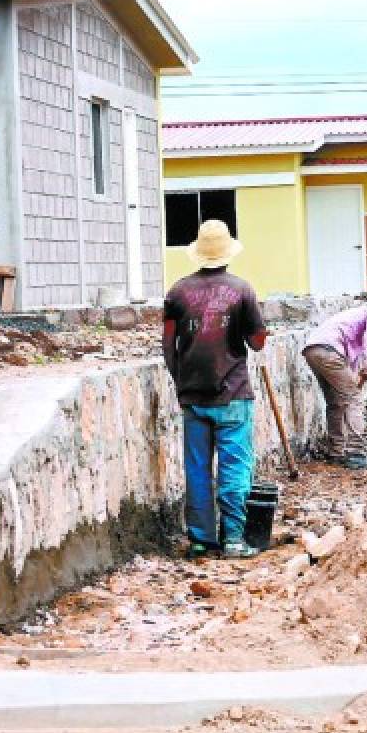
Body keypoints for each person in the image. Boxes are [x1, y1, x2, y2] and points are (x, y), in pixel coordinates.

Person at [163, 220, 268, 559]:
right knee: (234, 466)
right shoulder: (242, 290)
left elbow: (168, 344)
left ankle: (200, 539)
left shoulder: (177, 293)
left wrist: (181, 382)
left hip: (193, 395)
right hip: (233, 394)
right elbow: (257, 343)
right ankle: (234, 539)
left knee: (196, 468)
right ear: (227, 253)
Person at [303, 302, 367, 469]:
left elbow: (349, 368)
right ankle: (356, 452)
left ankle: (336, 451)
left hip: (314, 350)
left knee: (336, 402)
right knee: (354, 399)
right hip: (329, 351)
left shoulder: (355, 321)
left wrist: (358, 378)